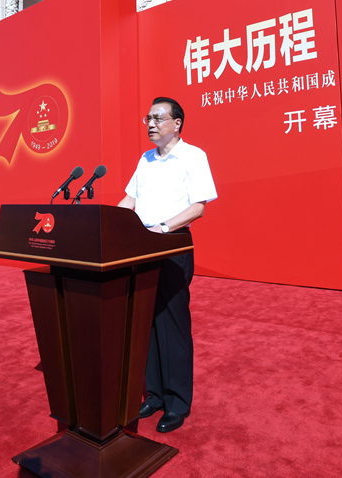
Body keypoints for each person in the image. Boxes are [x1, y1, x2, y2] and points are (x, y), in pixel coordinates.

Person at [118, 97, 217, 433]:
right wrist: (107, 222)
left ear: (177, 123)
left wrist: (162, 228)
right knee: (145, 321)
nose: (151, 124)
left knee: (172, 324)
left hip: (172, 245)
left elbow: (198, 207)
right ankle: (155, 394)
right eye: (148, 118)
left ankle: (177, 402)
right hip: (142, 248)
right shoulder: (145, 159)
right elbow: (130, 200)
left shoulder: (193, 156)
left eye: (158, 118)